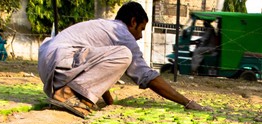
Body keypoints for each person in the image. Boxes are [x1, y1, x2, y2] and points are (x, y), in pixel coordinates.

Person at [37, 1, 209, 118]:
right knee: (125, 55)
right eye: (141, 29)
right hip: (62, 63)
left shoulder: (105, 28)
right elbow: (146, 75)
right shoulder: (122, 33)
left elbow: (96, 70)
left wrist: (109, 102)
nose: (140, 36)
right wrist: (186, 102)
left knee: (118, 55)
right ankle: (66, 95)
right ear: (133, 22)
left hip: (50, 66)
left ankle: (68, 93)